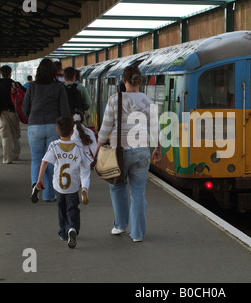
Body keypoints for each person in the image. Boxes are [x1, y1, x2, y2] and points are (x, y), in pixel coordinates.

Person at [95, 65, 161, 243]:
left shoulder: (114, 99)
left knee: (117, 187)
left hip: (120, 152)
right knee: (138, 193)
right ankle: (137, 234)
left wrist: (97, 149)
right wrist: (158, 147)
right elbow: (155, 127)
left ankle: (120, 225)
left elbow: (105, 128)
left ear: (124, 81)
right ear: (139, 81)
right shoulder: (148, 101)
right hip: (141, 151)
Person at [34, 117, 93, 249]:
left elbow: (44, 162)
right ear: (73, 131)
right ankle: (72, 229)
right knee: (72, 208)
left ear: (57, 131)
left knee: (61, 208)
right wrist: (84, 186)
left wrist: (39, 179)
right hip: (73, 186)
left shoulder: (54, 145)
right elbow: (86, 165)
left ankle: (63, 232)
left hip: (58, 186)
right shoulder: (78, 147)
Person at [22, 58, 71, 202]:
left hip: (35, 126)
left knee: (37, 159)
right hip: (53, 127)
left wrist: (33, 117)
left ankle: (35, 187)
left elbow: (25, 109)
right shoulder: (59, 87)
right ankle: (49, 195)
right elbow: (65, 110)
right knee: (51, 160)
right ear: (54, 72)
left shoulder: (32, 87)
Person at [0, 65, 25, 164]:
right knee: (15, 135)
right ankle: (16, 154)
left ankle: (7, 158)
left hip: (2, 113)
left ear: (1, 73)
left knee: (5, 136)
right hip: (13, 113)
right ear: (10, 73)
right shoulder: (15, 84)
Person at [71, 111, 97, 205]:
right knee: (85, 175)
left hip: (72, 157)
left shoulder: (70, 131)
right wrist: (95, 158)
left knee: (74, 175)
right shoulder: (89, 132)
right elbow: (94, 148)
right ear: (83, 120)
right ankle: (84, 189)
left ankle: (73, 194)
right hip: (85, 156)